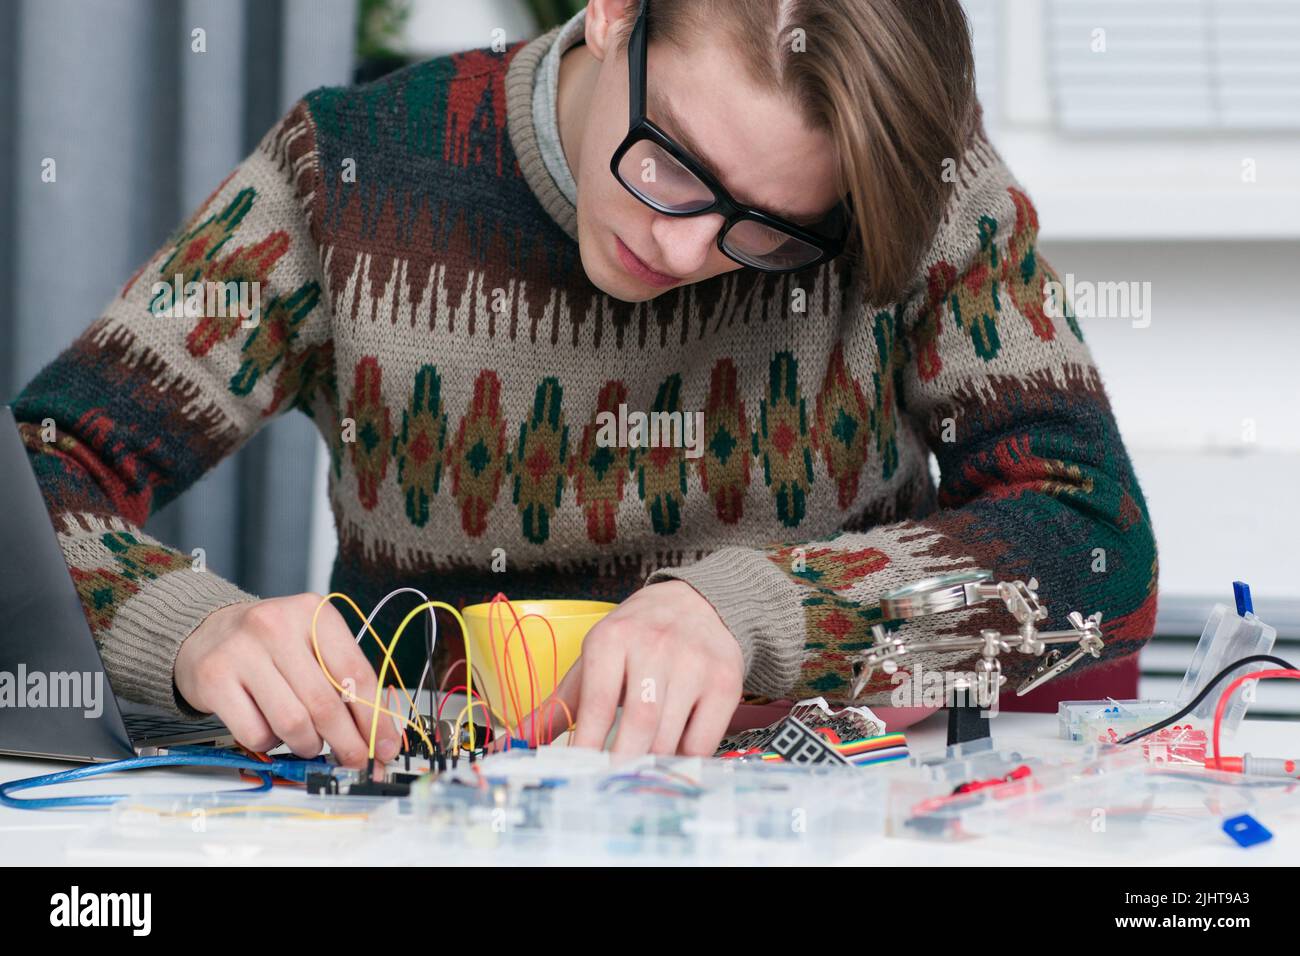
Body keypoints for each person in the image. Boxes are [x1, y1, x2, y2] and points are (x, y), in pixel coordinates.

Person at [11, 0, 1158, 766]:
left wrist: (757, 613)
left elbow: (1095, 543)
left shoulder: (910, 183)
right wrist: (184, 628)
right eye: (670, 166)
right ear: (615, 12)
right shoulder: (350, 172)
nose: (685, 250)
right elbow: (42, 465)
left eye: (769, 232)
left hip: (828, 815)